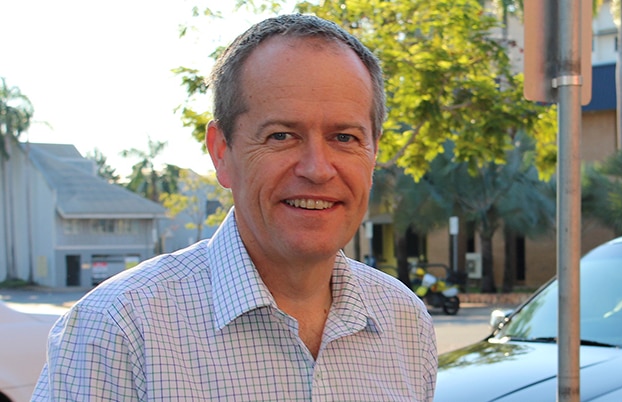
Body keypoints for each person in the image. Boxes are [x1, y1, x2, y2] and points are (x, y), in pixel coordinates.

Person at [32, 14, 437, 401]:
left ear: (374, 151)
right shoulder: (117, 329)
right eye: (282, 135)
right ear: (221, 151)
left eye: (345, 138)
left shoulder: (405, 321)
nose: (317, 169)